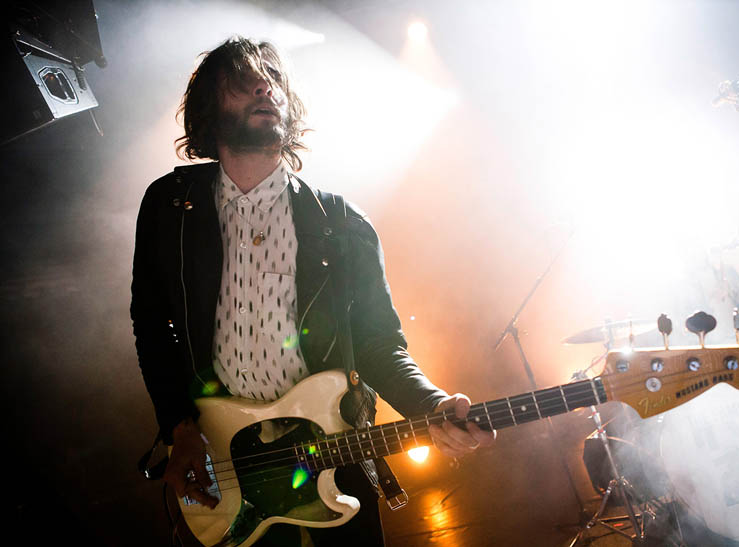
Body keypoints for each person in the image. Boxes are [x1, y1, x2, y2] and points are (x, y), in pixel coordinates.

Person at [131, 35, 495, 546]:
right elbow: (151, 327)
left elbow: (378, 344)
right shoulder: (171, 207)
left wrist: (430, 405)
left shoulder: (343, 225)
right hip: (223, 466)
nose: (264, 87)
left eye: (274, 80)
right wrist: (179, 430)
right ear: (208, 112)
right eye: (243, 81)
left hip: (333, 462)